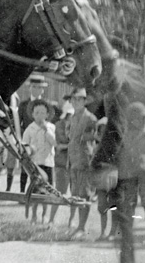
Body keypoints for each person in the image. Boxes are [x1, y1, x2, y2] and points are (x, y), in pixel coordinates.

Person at [107, 102, 145, 263]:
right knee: (125, 222)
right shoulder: (125, 133)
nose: (141, 121)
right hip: (128, 179)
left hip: (142, 174)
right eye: (137, 117)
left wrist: (144, 116)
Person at [64, 87, 101, 236]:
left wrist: (83, 138)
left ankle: (82, 226)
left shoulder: (91, 118)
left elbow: (95, 137)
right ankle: (75, 223)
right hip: (73, 160)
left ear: (85, 101)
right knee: (74, 193)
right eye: (74, 99)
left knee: (84, 194)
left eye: (79, 99)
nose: (76, 102)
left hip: (85, 160)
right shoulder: (72, 117)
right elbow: (70, 138)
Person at [16, 73, 56, 193]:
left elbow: (51, 124)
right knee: (25, 167)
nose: (37, 90)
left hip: (44, 143)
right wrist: (23, 140)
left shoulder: (47, 105)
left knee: (44, 170)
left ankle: (44, 194)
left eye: (39, 87)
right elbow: (18, 124)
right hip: (28, 140)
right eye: (34, 87)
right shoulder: (23, 105)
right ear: (30, 88)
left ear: (43, 90)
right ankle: (23, 193)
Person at [22, 100, 56, 223]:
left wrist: (46, 129)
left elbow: (54, 142)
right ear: (32, 114)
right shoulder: (30, 129)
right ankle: (34, 215)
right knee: (36, 190)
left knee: (47, 190)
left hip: (48, 163)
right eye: (37, 113)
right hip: (36, 165)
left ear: (47, 114)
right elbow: (24, 145)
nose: (40, 116)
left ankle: (44, 214)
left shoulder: (51, 127)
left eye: (42, 113)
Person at [49, 98, 73, 226]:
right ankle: (51, 219)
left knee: (76, 193)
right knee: (59, 192)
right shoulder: (58, 125)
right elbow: (58, 145)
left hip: (74, 162)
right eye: (69, 114)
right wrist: (70, 145)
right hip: (62, 163)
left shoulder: (79, 123)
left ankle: (72, 221)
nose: (71, 117)